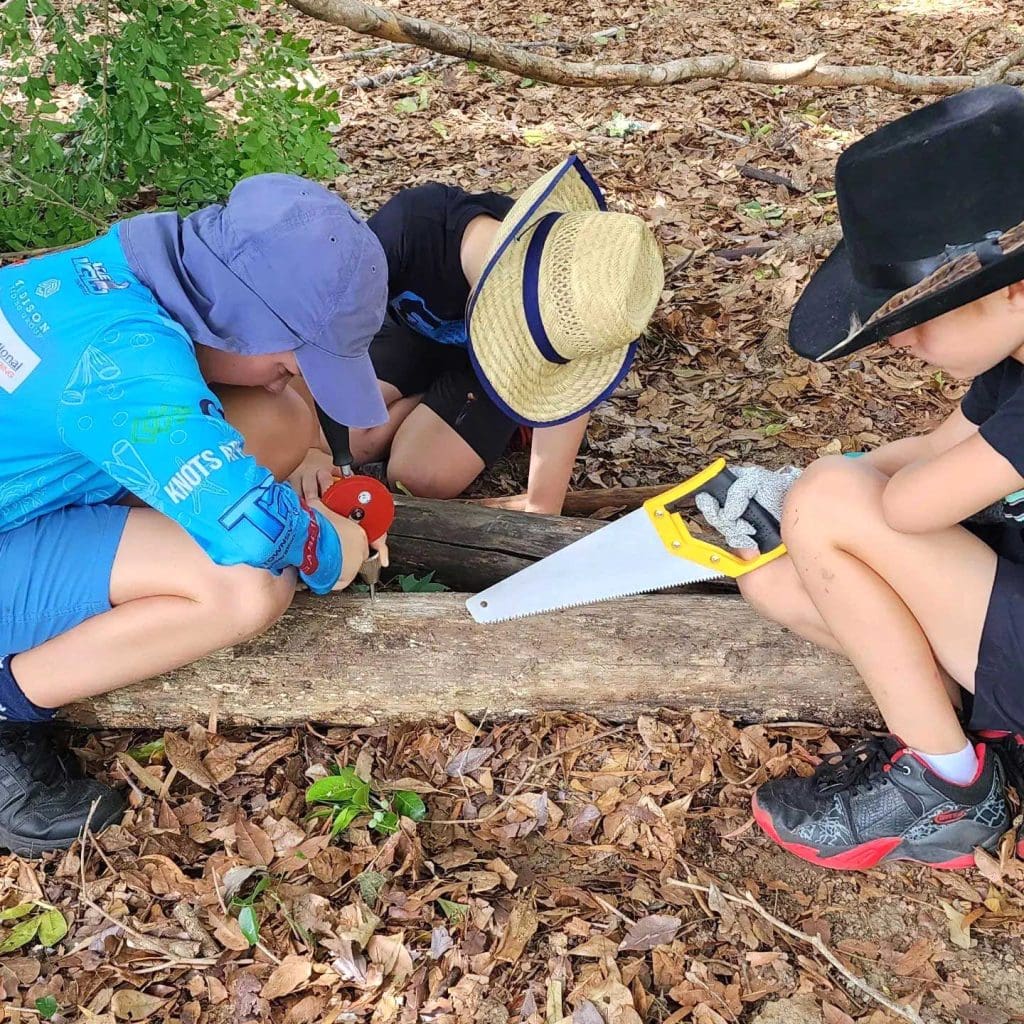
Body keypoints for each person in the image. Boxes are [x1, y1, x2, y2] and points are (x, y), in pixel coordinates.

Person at [0, 173, 388, 855]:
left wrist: (290, 463)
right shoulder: (123, 361)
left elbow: (228, 417)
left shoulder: (117, 274)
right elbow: (257, 532)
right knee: (245, 586)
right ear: (244, 318)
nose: (292, 375)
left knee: (278, 421)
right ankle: (8, 706)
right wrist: (335, 546)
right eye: (295, 359)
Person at [697, 85, 1024, 870]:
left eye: (921, 313)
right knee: (774, 582)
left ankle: (951, 789)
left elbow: (910, 507)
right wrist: (796, 480)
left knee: (831, 508)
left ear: (1014, 286)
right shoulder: (1013, 363)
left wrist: (824, 494)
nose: (898, 338)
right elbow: (928, 449)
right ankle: (971, 741)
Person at [290, 156, 664, 515]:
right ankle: (430, 406)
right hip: (413, 334)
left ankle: (498, 415)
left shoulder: (581, 307)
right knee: (340, 439)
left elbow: (544, 501)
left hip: (498, 372)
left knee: (419, 476)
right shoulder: (412, 227)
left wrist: (542, 499)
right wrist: (307, 447)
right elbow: (325, 329)